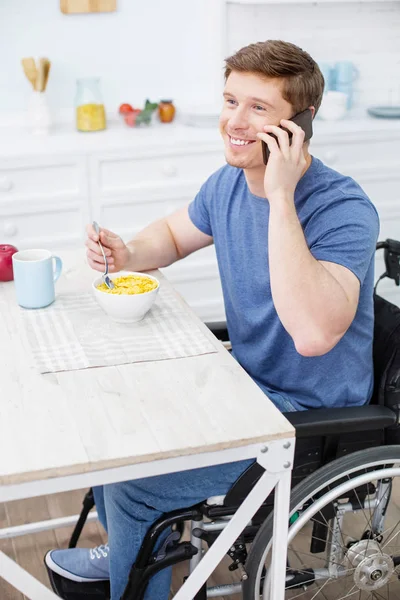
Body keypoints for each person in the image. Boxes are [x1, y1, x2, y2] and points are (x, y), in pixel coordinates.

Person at [45, 40, 379, 599]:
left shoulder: (342, 208)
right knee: (115, 433)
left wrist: (280, 198)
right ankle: (133, 551)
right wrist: (126, 252)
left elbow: (315, 333)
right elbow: (175, 235)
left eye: (258, 108)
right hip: (245, 392)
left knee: (136, 481)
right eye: (230, 101)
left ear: (301, 123)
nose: (235, 122)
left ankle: (134, 560)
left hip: (310, 421)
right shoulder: (227, 183)